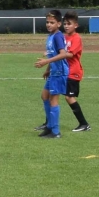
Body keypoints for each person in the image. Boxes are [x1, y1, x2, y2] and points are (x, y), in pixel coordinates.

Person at [34, 10, 69, 138]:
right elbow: (53, 54)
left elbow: (63, 54)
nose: (48, 24)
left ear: (59, 24)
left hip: (60, 72)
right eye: (47, 22)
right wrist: (48, 69)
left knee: (53, 100)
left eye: (52, 22)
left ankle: (55, 131)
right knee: (44, 96)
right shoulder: (50, 36)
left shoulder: (58, 36)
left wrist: (46, 62)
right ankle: (49, 126)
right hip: (54, 71)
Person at [62, 11, 89, 132]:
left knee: (69, 97)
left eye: (69, 24)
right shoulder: (64, 37)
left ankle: (84, 124)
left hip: (74, 72)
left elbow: (70, 54)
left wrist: (54, 56)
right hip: (65, 71)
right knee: (52, 94)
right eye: (65, 24)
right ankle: (48, 123)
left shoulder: (76, 38)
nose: (66, 26)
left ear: (76, 25)